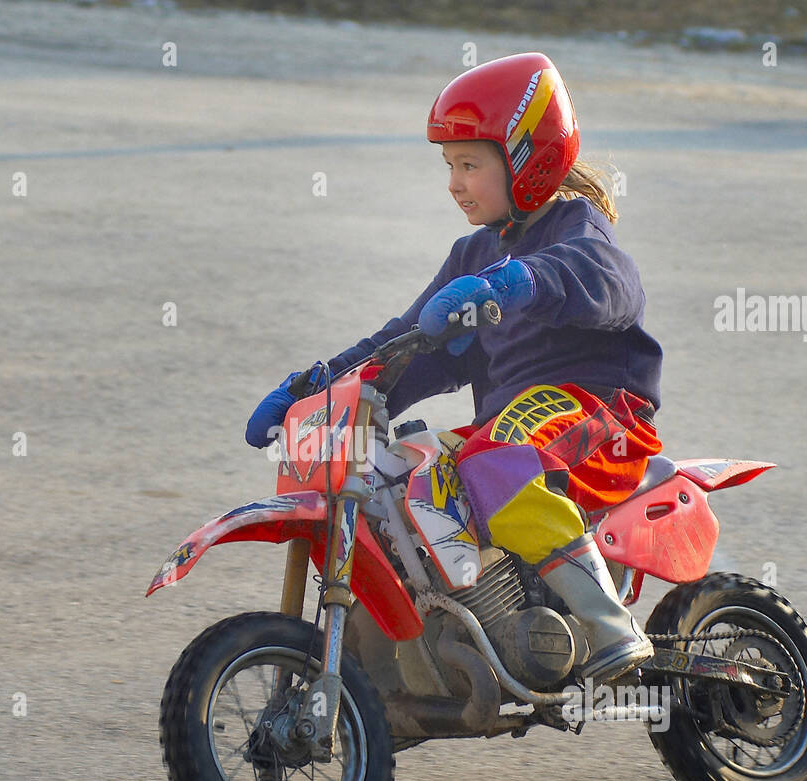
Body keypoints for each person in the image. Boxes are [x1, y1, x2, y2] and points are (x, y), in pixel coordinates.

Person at [245, 52, 664, 686]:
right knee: (406, 477)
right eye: (449, 166)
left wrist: (515, 281)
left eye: (470, 164)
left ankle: (609, 626)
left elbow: (610, 284)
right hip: (515, 431)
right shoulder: (471, 254)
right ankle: (427, 660)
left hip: (603, 418)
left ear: (528, 157)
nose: (453, 182)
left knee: (487, 459)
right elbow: (405, 344)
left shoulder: (579, 231)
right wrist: (318, 384)